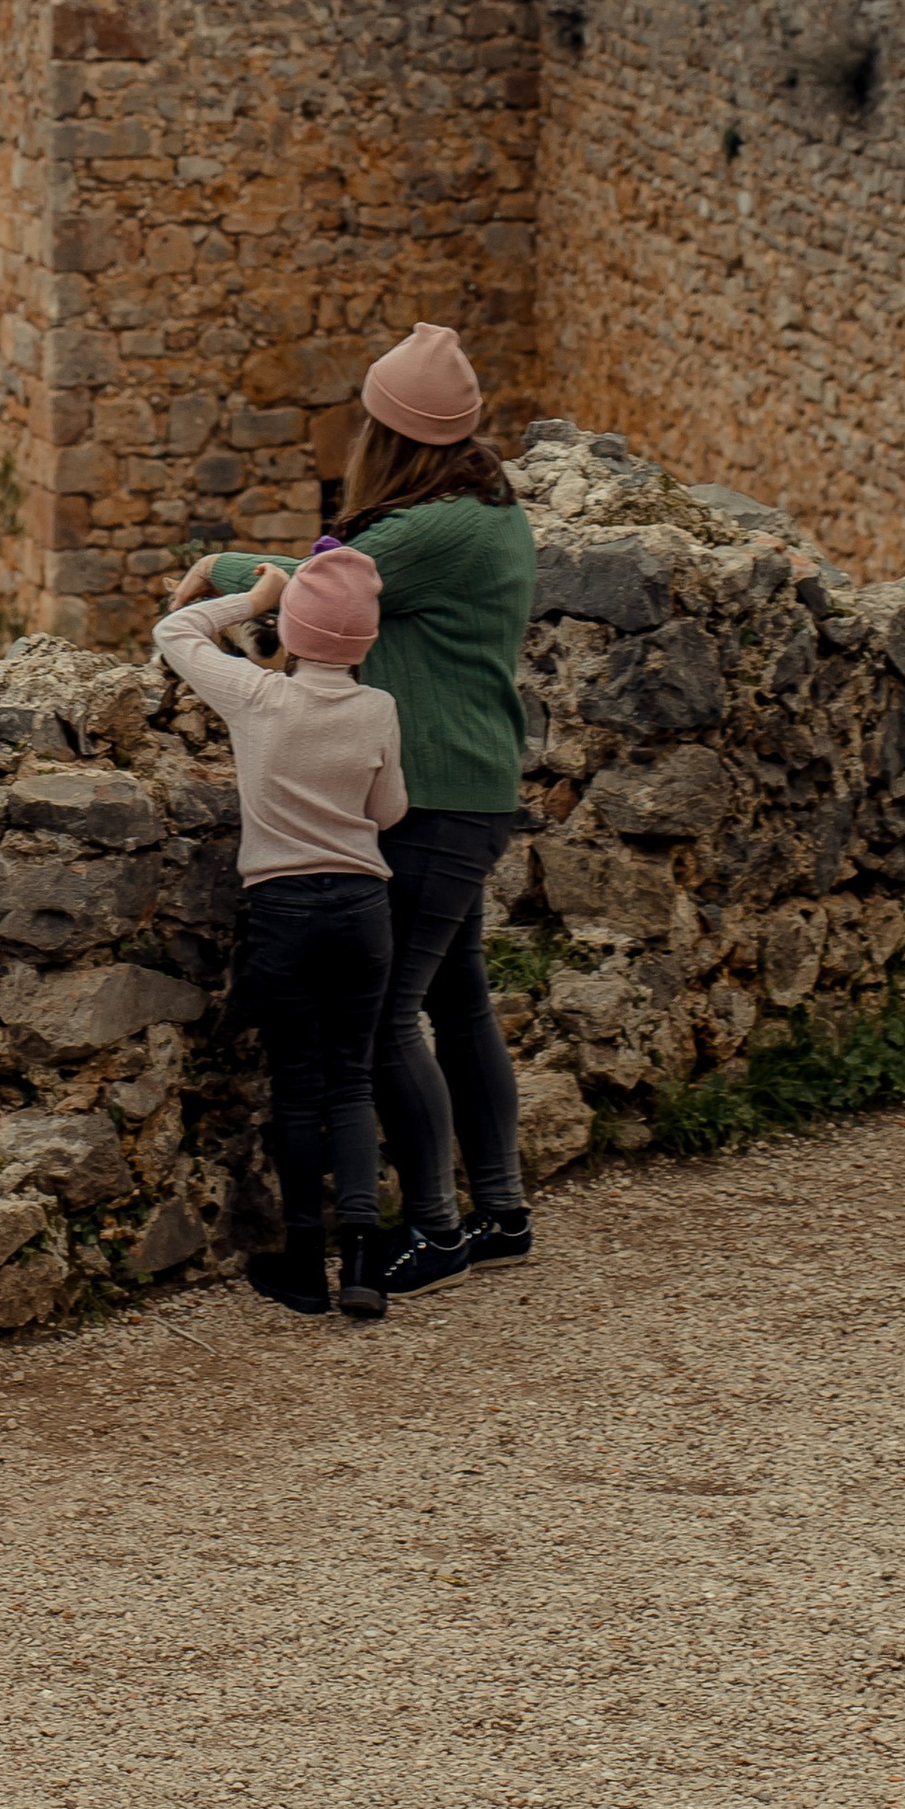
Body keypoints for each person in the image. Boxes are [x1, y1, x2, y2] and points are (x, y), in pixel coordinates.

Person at [175, 320, 537, 1296]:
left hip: (430, 797)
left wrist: (219, 568)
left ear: (392, 433)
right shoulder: (495, 513)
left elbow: (317, 597)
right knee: (458, 1001)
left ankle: (433, 1229)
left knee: (386, 1019)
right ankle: (498, 1210)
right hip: (477, 783)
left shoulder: (419, 531)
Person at [152, 545, 407, 1321]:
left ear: (291, 629)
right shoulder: (379, 710)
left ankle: (304, 1264)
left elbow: (177, 632)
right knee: (353, 1079)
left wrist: (256, 596)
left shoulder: (257, 697)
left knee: (299, 1086)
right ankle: (363, 1259)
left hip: (285, 909)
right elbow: (389, 812)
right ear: (364, 641)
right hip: (365, 909)